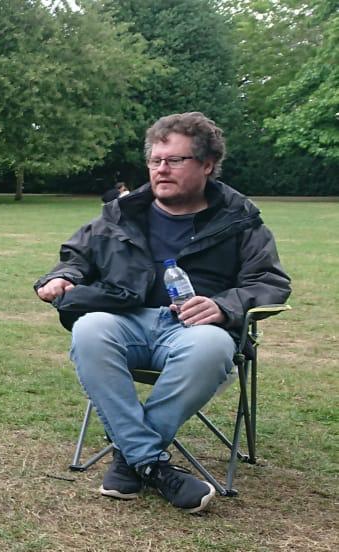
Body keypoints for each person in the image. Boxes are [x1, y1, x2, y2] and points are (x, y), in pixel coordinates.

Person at [34, 112, 291, 514]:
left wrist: (224, 305)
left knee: (210, 346)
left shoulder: (238, 220)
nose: (161, 169)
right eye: (155, 161)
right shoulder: (122, 212)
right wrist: (63, 277)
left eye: (175, 160)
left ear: (207, 165)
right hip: (125, 319)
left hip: (193, 329)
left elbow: (270, 282)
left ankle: (131, 458)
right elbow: (76, 257)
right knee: (90, 328)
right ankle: (152, 463)